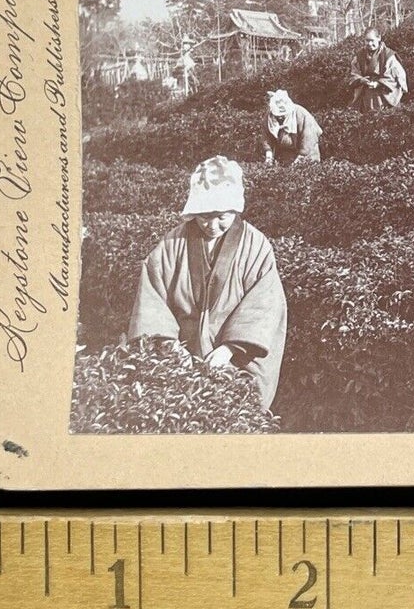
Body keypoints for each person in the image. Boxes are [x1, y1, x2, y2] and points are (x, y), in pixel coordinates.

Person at [128, 157, 288, 410]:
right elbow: (153, 296)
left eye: (221, 217)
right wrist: (171, 346)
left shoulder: (256, 246)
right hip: (181, 352)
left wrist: (228, 350)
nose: (212, 225)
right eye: (204, 217)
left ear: (235, 210)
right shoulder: (173, 243)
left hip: (235, 356)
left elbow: (264, 305)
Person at [349, 27, 408, 111]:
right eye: (367, 40)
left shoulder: (388, 55)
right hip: (366, 95)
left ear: (379, 38)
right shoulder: (360, 55)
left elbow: (396, 76)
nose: (369, 43)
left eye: (372, 40)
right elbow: (354, 73)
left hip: (384, 95)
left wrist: (379, 83)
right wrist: (361, 80)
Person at [261, 89, 322, 166]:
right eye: (278, 116)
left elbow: (309, 138)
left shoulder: (301, 114)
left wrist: (299, 160)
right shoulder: (269, 116)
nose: (280, 118)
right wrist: (269, 156)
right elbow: (266, 136)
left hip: (307, 153)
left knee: (305, 171)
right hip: (286, 154)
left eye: (282, 115)